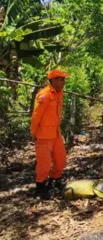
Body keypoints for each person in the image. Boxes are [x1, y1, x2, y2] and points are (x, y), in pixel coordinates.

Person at [31, 69, 70, 199]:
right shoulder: (44, 95)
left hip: (56, 134)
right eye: (60, 79)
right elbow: (36, 115)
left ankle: (55, 180)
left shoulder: (60, 93)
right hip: (43, 135)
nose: (63, 81)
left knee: (61, 159)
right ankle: (41, 187)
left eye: (64, 79)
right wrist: (33, 132)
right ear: (52, 80)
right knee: (44, 163)